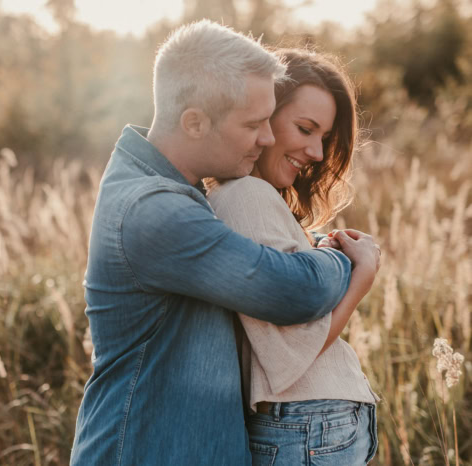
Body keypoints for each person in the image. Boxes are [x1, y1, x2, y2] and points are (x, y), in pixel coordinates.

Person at [70, 21, 379, 465]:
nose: (268, 137)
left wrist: (310, 243)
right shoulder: (154, 211)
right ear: (194, 122)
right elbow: (295, 290)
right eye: (255, 123)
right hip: (144, 450)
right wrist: (345, 257)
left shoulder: (172, 193)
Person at [206, 49, 381, 465]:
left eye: (324, 137)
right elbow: (291, 353)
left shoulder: (258, 199)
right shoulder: (246, 195)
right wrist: (363, 275)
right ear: (263, 116)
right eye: (306, 129)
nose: (318, 153)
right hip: (309, 423)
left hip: (310, 425)